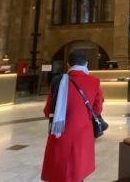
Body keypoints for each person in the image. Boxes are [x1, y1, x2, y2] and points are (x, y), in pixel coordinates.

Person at [41, 50, 103, 182]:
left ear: (68, 64)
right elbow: (97, 110)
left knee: (60, 170)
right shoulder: (95, 82)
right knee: (78, 170)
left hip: (60, 132)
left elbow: (47, 111)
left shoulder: (58, 81)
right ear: (86, 64)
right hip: (83, 133)